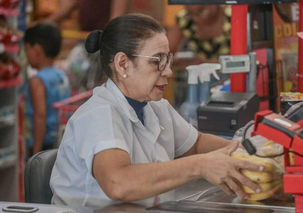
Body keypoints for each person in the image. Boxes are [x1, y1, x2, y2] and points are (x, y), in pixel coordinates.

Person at [50, 14, 264, 209]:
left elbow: (195, 144)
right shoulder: (99, 114)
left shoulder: (156, 107)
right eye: (157, 62)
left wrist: (250, 153)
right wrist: (200, 166)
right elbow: (118, 183)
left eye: (168, 60)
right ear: (123, 64)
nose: (168, 71)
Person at [24, 23, 70, 157]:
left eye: (27, 49)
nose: (26, 54)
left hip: (42, 143)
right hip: (59, 138)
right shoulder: (61, 74)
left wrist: (36, 154)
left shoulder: (37, 81)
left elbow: (40, 116)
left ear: (37, 50)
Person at [167, 5, 231, 63]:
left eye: (201, 11)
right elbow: (166, 51)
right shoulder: (185, 19)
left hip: (233, 72)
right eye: (190, 13)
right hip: (203, 73)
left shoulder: (233, 15)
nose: (196, 18)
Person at [45, 0, 128, 31]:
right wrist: (43, 25)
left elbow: (116, 18)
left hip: (103, 42)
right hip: (85, 39)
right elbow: (65, 9)